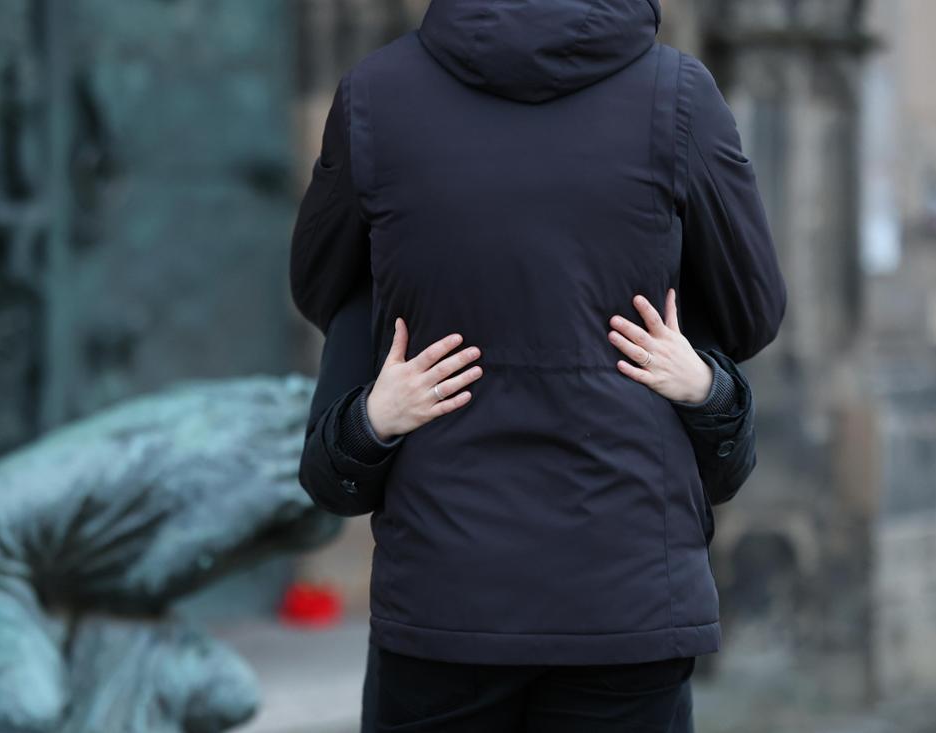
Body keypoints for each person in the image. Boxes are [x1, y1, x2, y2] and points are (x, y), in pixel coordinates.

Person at [290, 0, 786, 730]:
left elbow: (321, 281)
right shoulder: (679, 95)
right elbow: (752, 308)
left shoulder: (376, 95)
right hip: (629, 589)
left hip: (444, 587)